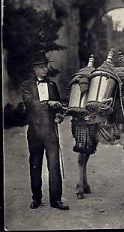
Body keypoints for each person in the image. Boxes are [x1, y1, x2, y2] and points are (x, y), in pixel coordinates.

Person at [21, 51, 69, 211]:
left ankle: (56, 200)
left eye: (46, 66)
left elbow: (58, 108)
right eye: (42, 67)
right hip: (34, 133)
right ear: (35, 69)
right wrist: (49, 103)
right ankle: (36, 198)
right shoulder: (26, 86)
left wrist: (60, 115)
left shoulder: (52, 85)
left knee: (54, 165)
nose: (45, 70)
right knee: (35, 164)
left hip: (50, 132)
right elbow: (30, 103)